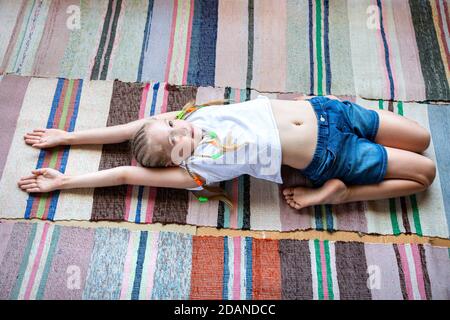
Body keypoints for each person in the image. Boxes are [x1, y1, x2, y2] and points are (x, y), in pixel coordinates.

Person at [18, 95, 436, 210]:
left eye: (170, 124)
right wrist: (66, 181)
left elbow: (131, 129)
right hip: (333, 157)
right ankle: (342, 194)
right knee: (425, 175)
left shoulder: (193, 115)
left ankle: (351, 178)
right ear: (176, 161)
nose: (180, 127)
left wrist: (66, 137)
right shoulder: (195, 172)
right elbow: (125, 175)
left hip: (329, 110)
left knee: (420, 137)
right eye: (174, 140)